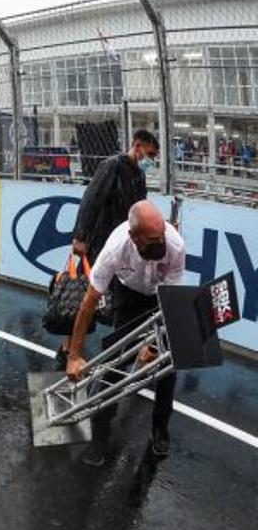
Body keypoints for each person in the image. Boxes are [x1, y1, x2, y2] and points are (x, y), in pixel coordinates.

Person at [65, 201, 185, 466]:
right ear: (134, 237)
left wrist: (153, 347)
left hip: (159, 298)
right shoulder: (116, 249)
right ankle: (100, 433)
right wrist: (74, 355)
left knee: (168, 363)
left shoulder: (174, 246)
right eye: (152, 240)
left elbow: (171, 300)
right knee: (114, 361)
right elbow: (88, 303)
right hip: (127, 295)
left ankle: (160, 429)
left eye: (161, 236)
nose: (160, 243)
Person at [72, 129, 158, 265]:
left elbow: (140, 208)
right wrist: (80, 237)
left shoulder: (140, 175)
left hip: (124, 242)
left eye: (154, 157)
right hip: (102, 241)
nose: (152, 160)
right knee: (93, 280)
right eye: (150, 154)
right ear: (137, 146)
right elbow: (90, 201)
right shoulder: (113, 166)